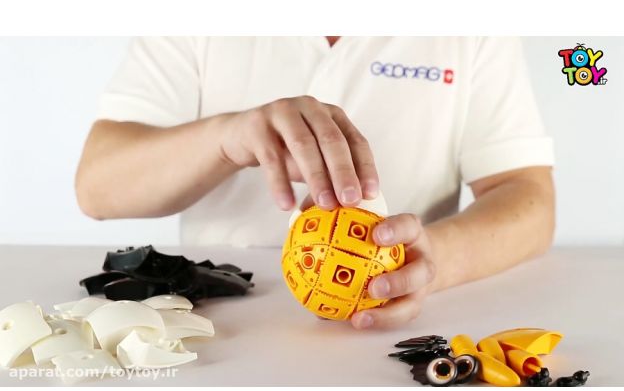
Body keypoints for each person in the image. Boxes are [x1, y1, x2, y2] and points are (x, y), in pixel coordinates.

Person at [76, 36, 555, 330]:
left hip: (390, 335)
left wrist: (432, 260)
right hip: (217, 331)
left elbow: (529, 195)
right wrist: (225, 139)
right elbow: (97, 186)